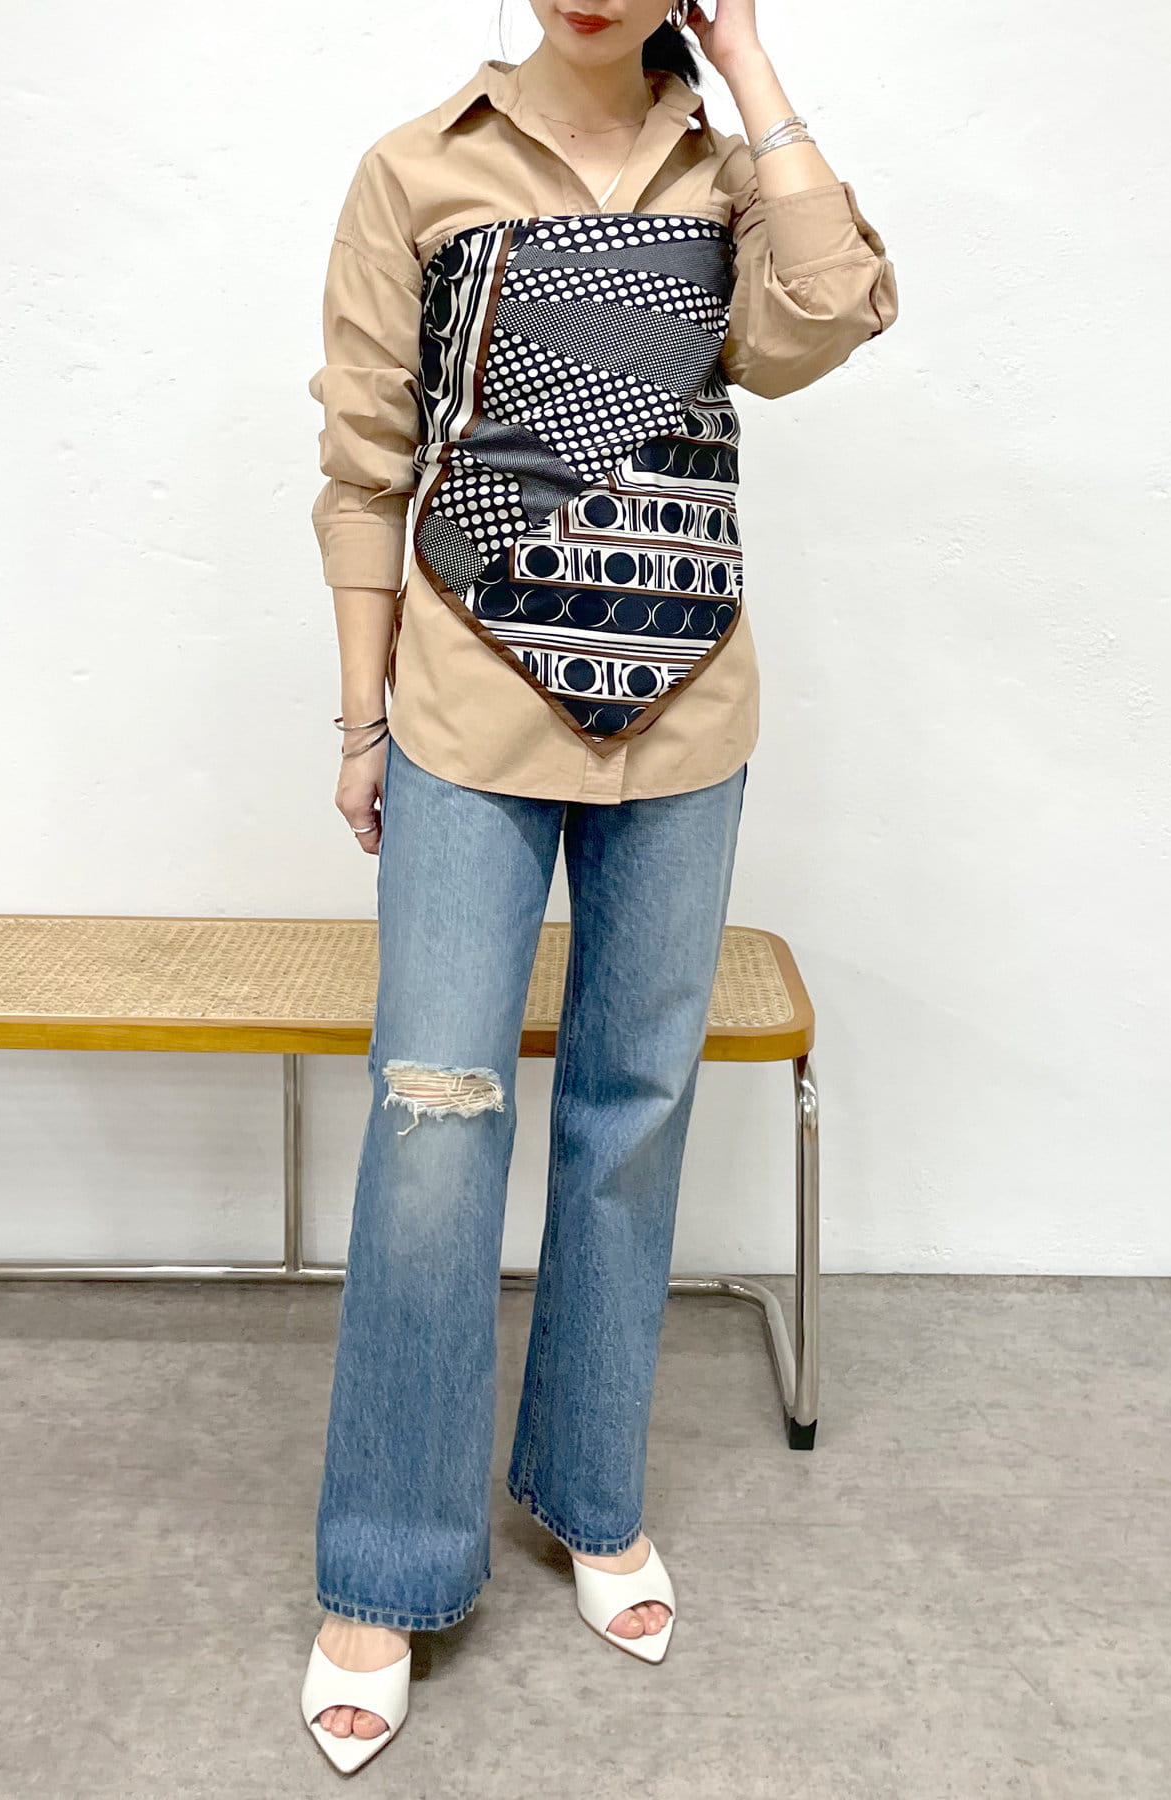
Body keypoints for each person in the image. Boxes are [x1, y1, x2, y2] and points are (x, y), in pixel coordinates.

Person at [301, 0, 898, 1771]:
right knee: (435, 1115)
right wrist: (360, 722)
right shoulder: (417, 168)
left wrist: (754, 67)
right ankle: (387, 1557)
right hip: (466, 702)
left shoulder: (731, 177)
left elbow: (826, 318)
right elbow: (365, 460)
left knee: (634, 1113)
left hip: (686, 707)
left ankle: (588, 1488)